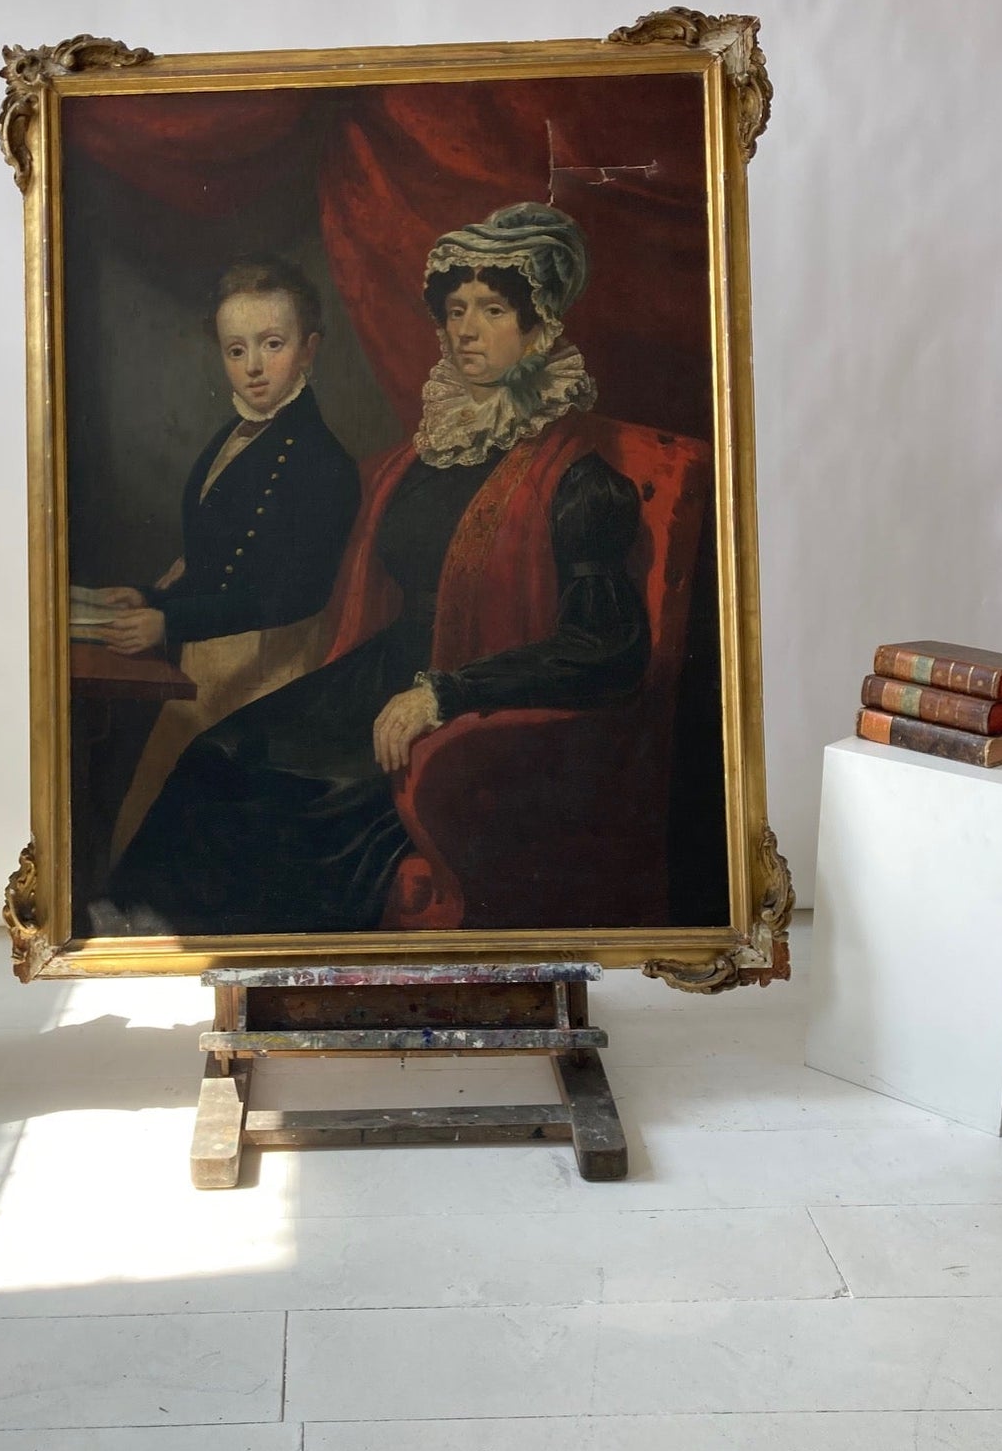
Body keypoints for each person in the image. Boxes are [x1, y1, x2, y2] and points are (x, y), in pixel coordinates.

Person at [97, 201, 650, 936]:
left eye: (491, 310)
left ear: (538, 327)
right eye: (456, 310)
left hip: (475, 702)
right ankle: (133, 933)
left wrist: (444, 693)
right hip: (384, 669)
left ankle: (229, 950)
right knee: (220, 752)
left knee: (297, 797)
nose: (466, 328)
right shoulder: (429, 455)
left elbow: (608, 648)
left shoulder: (581, 483)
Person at [93, 257, 360, 858]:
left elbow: (295, 594)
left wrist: (169, 620)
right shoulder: (236, 434)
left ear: (310, 349)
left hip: (269, 670)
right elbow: (215, 558)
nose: (254, 367)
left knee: (220, 828)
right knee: (158, 817)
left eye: (272, 344)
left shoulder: (321, 461)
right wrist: (152, 596)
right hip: (209, 655)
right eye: (236, 350)